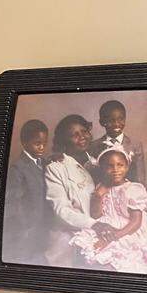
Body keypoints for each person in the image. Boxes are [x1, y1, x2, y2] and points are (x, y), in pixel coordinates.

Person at [70, 149, 147, 273]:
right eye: (110, 166)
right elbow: (96, 215)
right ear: (102, 168)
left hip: (127, 230)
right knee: (89, 250)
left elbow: (136, 222)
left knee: (121, 257)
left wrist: (109, 239)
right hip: (106, 225)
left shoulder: (133, 189)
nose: (115, 170)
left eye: (120, 165)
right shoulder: (101, 187)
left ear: (127, 167)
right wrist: (98, 197)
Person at [44, 113, 106, 268]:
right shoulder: (56, 167)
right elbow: (61, 210)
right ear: (64, 141)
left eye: (84, 131)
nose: (82, 137)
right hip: (68, 240)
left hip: (99, 233)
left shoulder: (98, 161)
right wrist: (93, 225)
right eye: (74, 135)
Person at [3, 119, 49, 264]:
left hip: (42, 224)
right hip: (25, 229)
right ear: (24, 143)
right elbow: (13, 202)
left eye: (44, 143)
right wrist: (24, 226)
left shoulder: (43, 162)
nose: (42, 147)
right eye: (37, 144)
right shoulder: (18, 169)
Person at [88, 100, 146, 187]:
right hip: (103, 193)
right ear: (102, 122)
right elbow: (93, 175)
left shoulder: (135, 145)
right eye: (111, 120)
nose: (116, 124)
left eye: (121, 119)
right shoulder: (94, 146)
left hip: (128, 192)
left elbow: (139, 177)